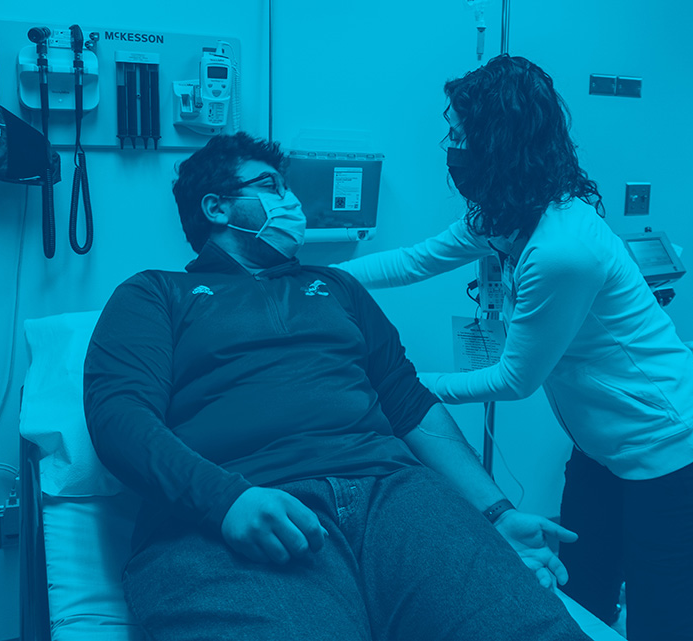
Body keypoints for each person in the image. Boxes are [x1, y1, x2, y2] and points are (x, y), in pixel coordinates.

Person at [84, 132, 593, 641]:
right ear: (216, 207)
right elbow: (119, 416)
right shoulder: (156, 293)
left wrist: (497, 513)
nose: (290, 202)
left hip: (396, 498)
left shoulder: (336, 287)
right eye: (270, 186)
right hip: (241, 507)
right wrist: (225, 502)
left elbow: (410, 404)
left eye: (288, 189)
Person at [335, 55, 693, 641]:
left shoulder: (562, 247)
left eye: (461, 135)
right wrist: (315, 276)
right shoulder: (503, 216)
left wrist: (405, 385)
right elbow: (414, 260)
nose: (452, 146)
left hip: (677, 456)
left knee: (662, 625)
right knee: (579, 600)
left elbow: (514, 380)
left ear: (499, 143)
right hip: (602, 452)